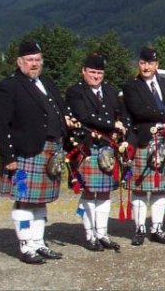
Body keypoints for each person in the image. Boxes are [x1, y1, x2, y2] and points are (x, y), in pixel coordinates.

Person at [0, 41, 72, 264]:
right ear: (19, 62)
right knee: (24, 200)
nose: (34, 64)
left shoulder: (46, 82)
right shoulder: (9, 86)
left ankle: (38, 242)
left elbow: (59, 111)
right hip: (24, 154)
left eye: (37, 59)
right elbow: (0, 124)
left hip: (49, 150)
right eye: (29, 60)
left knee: (40, 201)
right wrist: (8, 156)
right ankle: (26, 245)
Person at [65, 53, 131, 252]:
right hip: (87, 147)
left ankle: (102, 233)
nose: (96, 76)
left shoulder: (110, 91)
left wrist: (122, 126)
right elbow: (84, 117)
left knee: (104, 191)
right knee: (89, 190)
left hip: (109, 147)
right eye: (92, 72)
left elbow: (122, 113)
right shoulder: (75, 91)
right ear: (83, 71)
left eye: (99, 73)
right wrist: (113, 125)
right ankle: (90, 235)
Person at [121, 46, 165, 246]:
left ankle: (157, 228)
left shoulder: (164, 83)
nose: (146, 67)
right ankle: (139, 228)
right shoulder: (131, 86)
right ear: (139, 64)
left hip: (164, 140)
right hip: (143, 140)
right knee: (139, 188)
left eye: (150, 63)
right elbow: (139, 111)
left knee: (159, 188)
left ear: (157, 65)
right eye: (143, 63)